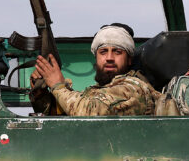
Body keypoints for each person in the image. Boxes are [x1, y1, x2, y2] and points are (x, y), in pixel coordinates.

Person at [31, 24, 159, 116]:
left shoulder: (133, 89)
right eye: (103, 52)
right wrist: (40, 94)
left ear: (129, 59)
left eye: (117, 52)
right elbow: (66, 115)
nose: (109, 58)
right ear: (96, 57)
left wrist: (58, 86)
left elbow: (89, 113)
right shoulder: (98, 92)